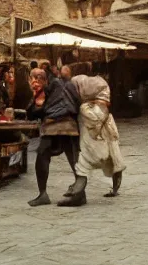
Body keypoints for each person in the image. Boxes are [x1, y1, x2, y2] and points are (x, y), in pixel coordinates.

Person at [60, 74, 126, 206]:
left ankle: (77, 192)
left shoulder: (85, 108)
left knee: (85, 163)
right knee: (113, 158)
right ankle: (112, 189)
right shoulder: (99, 94)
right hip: (103, 133)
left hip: (95, 137)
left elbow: (93, 120)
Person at [26, 68, 80, 207]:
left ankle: (80, 194)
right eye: (33, 78)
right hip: (55, 127)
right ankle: (43, 194)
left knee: (74, 161)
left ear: (45, 80)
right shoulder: (40, 93)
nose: (36, 81)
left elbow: (46, 110)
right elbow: (33, 114)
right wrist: (36, 95)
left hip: (65, 126)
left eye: (39, 78)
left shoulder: (56, 85)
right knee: (42, 157)